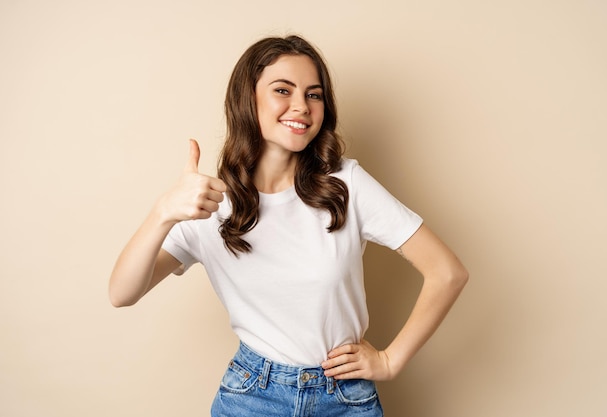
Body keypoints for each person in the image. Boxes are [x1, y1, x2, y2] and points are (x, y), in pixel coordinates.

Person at [109, 35, 468, 416]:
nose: (301, 106)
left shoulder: (346, 184)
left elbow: (448, 273)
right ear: (248, 98)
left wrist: (390, 360)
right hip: (251, 396)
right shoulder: (211, 203)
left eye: (314, 95)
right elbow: (122, 293)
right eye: (283, 90)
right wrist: (162, 211)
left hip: (344, 397)